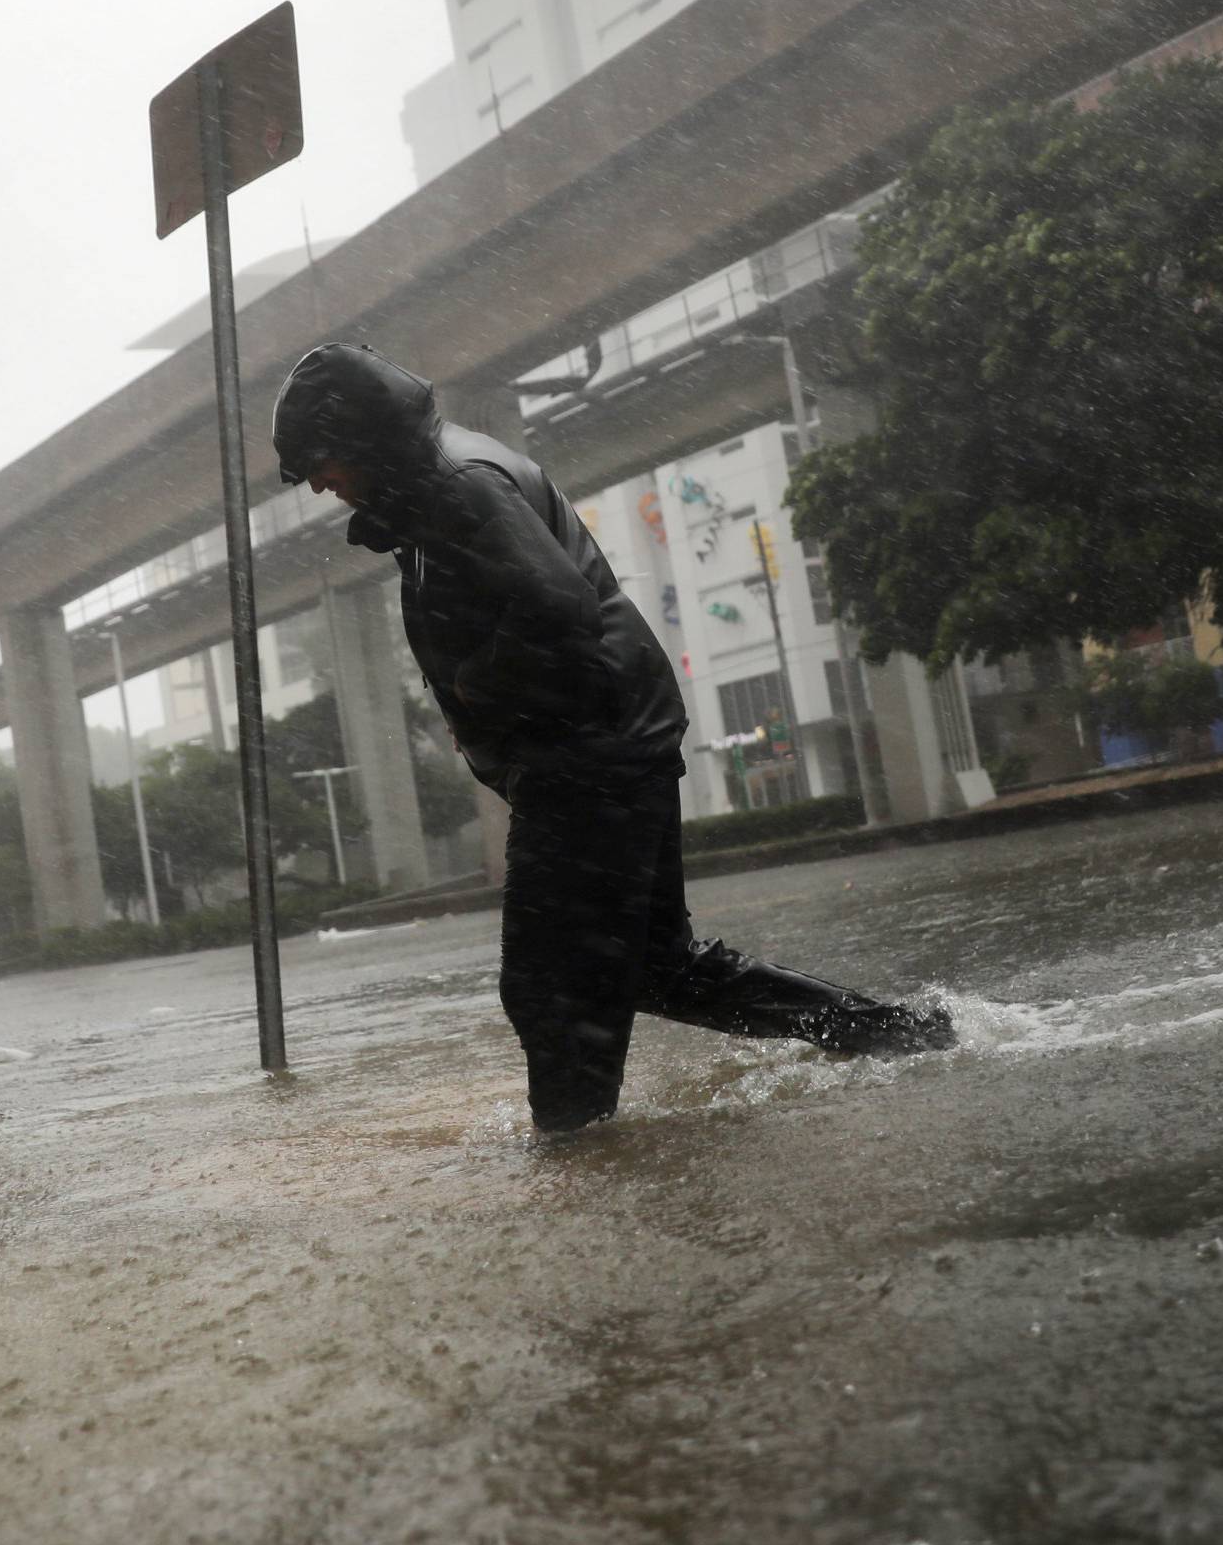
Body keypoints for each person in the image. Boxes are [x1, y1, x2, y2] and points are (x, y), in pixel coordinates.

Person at [272, 341, 955, 1134]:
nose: (321, 483)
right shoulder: (435, 482)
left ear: (363, 437)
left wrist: (473, 691)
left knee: (547, 985)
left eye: (322, 462)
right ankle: (901, 1037)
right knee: (660, 970)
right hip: (608, 738)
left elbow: (557, 608)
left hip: (588, 755)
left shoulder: (457, 485)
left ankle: (575, 1159)